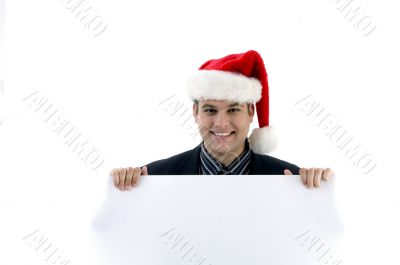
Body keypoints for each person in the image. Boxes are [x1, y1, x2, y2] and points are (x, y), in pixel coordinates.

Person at [110, 50, 334, 190]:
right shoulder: (153, 179)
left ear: (251, 113)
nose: (221, 123)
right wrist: (119, 188)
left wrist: (318, 194)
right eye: (210, 110)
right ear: (195, 112)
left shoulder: (290, 181)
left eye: (233, 110)